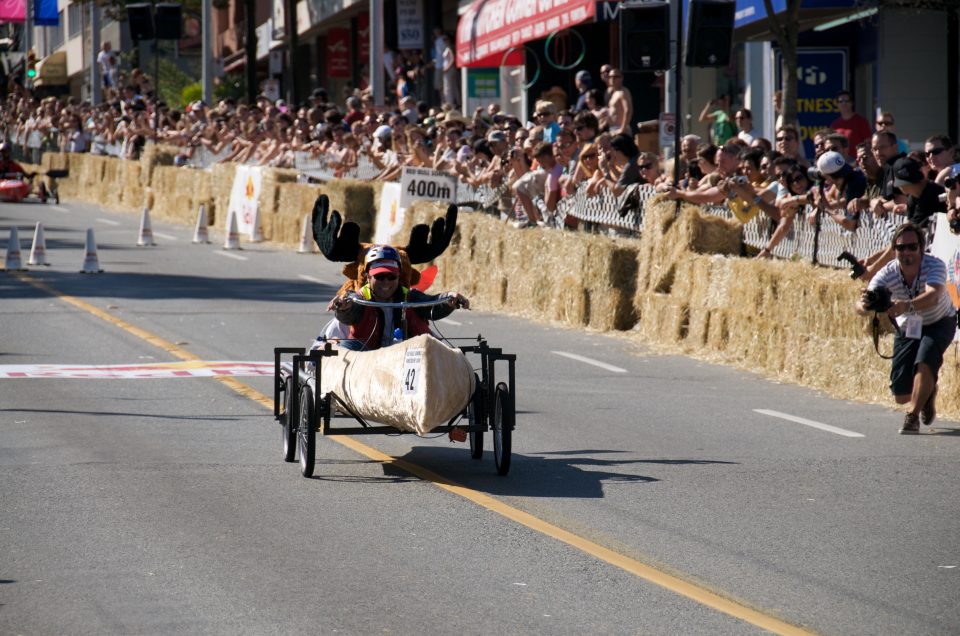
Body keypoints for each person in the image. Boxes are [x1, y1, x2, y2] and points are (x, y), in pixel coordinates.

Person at [855, 223, 957, 434]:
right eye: (901, 248)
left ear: (921, 247)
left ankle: (912, 417)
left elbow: (934, 294)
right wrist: (866, 305)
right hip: (908, 326)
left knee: (925, 359)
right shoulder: (887, 273)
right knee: (901, 394)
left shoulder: (934, 265)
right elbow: (861, 304)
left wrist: (906, 306)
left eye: (911, 247)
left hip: (939, 321)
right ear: (895, 250)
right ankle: (927, 393)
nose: (906, 252)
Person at [330, 245, 469, 351]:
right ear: (367, 277)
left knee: (454, 358)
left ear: (399, 276)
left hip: (408, 361)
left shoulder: (410, 296)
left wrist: (449, 299)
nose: (386, 282)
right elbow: (350, 312)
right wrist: (343, 308)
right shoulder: (357, 298)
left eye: (391, 277)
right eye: (379, 277)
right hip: (368, 363)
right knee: (347, 346)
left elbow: (432, 304)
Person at [830, 90, 871, 160]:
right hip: (839, 161)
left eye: (847, 101)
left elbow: (868, 143)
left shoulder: (861, 122)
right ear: (837, 104)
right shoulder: (835, 124)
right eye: (841, 101)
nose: (844, 103)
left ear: (852, 103)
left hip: (857, 161)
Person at [605, 69, 633, 136]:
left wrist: (622, 129)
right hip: (613, 129)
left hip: (621, 129)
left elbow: (628, 110)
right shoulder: (613, 93)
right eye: (610, 77)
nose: (612, 79)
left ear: (621, 78)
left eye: (615, 77)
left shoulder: (623, 92)